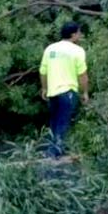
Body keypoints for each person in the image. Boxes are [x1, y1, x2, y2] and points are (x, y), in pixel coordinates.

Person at [39, 22, 89, 158]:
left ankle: (53, 149)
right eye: (79, 32)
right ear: (73, 35)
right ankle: (55, 152)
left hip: (53, 92)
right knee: (63, 121)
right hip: (68, 92)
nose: (80, 35)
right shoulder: (78, 51)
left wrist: (44, 88)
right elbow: (82, 75)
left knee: (54, 121)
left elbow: (43, 71)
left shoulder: (50, 49)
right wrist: (84, 92)